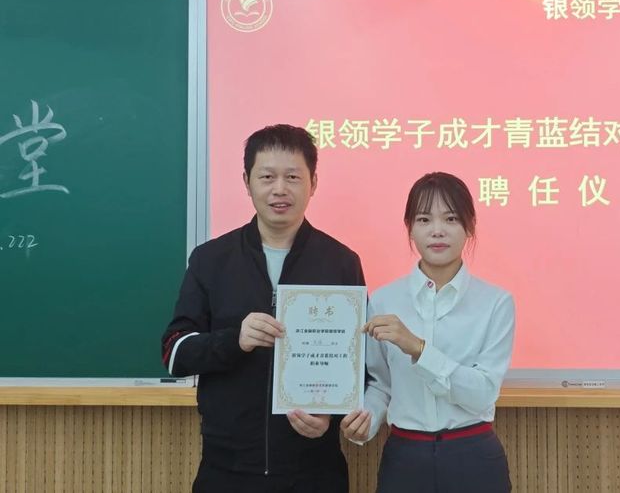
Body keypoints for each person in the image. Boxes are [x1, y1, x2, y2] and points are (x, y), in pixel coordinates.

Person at [161, 124, 365, 493]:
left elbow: (361, 364)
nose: (280, 189)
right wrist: (234, 340)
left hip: (314, 472)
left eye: (293, 177)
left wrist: (331, 416)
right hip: (228, 470)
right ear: (247, 181)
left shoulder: (341, 263)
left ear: (313, 183)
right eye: (267, 176)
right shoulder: (211, 260)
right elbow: (175, 353)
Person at [341, 172, 515, 493]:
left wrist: (419, 349)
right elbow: (381, 385)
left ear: (470, 226)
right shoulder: (384, 300)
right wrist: (366, 419)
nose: (437, 230)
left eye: (451, 218)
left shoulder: (496, 303)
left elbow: (483, 393)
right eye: (424, 219)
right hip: (405, 457)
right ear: (410, 228)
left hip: (474, 456)